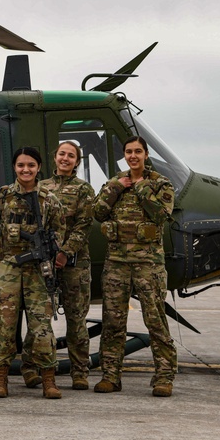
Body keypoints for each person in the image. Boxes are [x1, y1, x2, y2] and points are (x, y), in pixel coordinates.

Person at [91, 135, 177, 397]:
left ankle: (164, 376)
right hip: (117, 262)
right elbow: (97, 213)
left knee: (155, 319)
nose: (133, 156)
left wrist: (140, 188)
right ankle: (110, 376)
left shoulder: (160, 184)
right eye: (128, 152)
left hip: (148, 263)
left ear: (146, 154)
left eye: (138, 151)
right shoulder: (116, 182)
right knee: (113, 321)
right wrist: (115, 188)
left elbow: (162, 214)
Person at [0, 146, 66, 399]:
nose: (26, 170)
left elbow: (60, 231)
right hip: (8, 266)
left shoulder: (49, 199)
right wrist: (10, 237)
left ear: (38, 168)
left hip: (39, 269)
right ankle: (1, 379)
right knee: (4, 326)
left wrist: (50, 246)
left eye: (31, 165)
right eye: (21, 165)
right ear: (15, 168)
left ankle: (48, 378)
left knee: (41, 326)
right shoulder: (1, 197)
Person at [25, 141, 96, 390]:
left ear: (77, 161)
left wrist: (65, 252)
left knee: (77, 320)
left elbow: (84, 225)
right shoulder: (41, 187)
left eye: (71, 156)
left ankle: (79, 371)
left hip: (75, 263)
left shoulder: (84, 190)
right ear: (55, 157)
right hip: (45, 262)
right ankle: (32, 368)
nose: (65, 159)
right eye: (62, 154)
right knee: (39, 318)